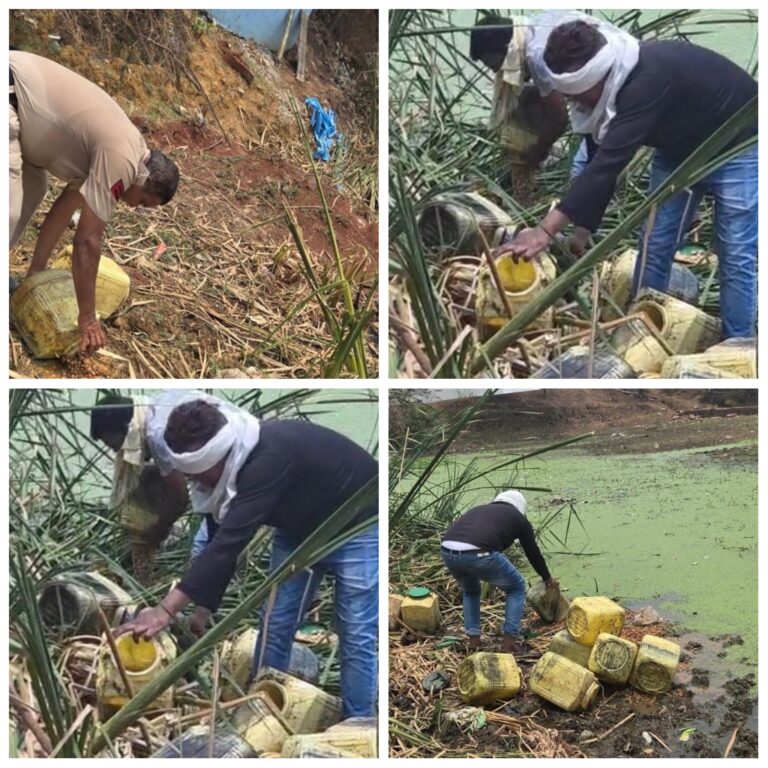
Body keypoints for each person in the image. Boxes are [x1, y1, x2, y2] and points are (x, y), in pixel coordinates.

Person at [495, 13, 758, 339]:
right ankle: (641, 332)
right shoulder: (602, 91)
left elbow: (609, 162)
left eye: (575, 93)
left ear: (593, 77)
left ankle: (738, 344)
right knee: (654, 244)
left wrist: (543, 232)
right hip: (678, 150)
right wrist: (582, 228)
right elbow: (597, 162)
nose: (572, 101)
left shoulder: (645, 81)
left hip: (737, 146)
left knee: (734, 252)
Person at [116, 395, 379, 719]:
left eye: (196, 473)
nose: (193, 481)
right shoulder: (224, 473)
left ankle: (359, 722)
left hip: (358, 526)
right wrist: (203, 607)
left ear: (213, 458)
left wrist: (164, 611)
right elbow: (218, 539)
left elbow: (230, 541)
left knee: (355, 631)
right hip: (299, 530)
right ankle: (262, 711)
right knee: (274, 623)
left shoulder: (266, 459)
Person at [10, 51, 180, 352]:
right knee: (7, 211)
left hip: (19, 105)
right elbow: (87, 240)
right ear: (147, 181)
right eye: (141, 203)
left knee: (34, 188)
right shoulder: (123, 160)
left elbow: (62, 211)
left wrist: (33, 278)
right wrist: (88, 318)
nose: (131, 206)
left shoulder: (119, 153)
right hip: (10, 93)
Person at [441, 490, 558, 655]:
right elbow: (533, 552)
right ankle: (509, 643)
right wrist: (547, 578)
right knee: (516, 587)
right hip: (479, 553)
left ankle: (474, 640)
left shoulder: (480, 509)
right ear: (520, 507)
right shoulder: (519, 519)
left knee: (471, 591)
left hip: (448, 551)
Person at [90, 392, 189, 582]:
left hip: (233, 468)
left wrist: (157, 530)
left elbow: (180, 496)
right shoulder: (147, 410)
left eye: (113, 443)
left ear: (127, 429)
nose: (116, 450)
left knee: (201, 550)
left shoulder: (156, 435)